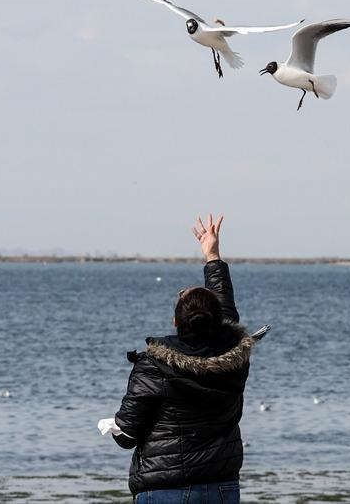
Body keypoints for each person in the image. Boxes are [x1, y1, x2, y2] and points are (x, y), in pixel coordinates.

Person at [108, 213, 256, 504]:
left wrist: (113, 426)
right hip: (221, 487)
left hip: (165, 489)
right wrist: (212, 256)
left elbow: (126, 435)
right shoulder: (234, 355)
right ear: (216, 321)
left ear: (175, 322)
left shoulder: (153, 366)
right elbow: (226, 312)